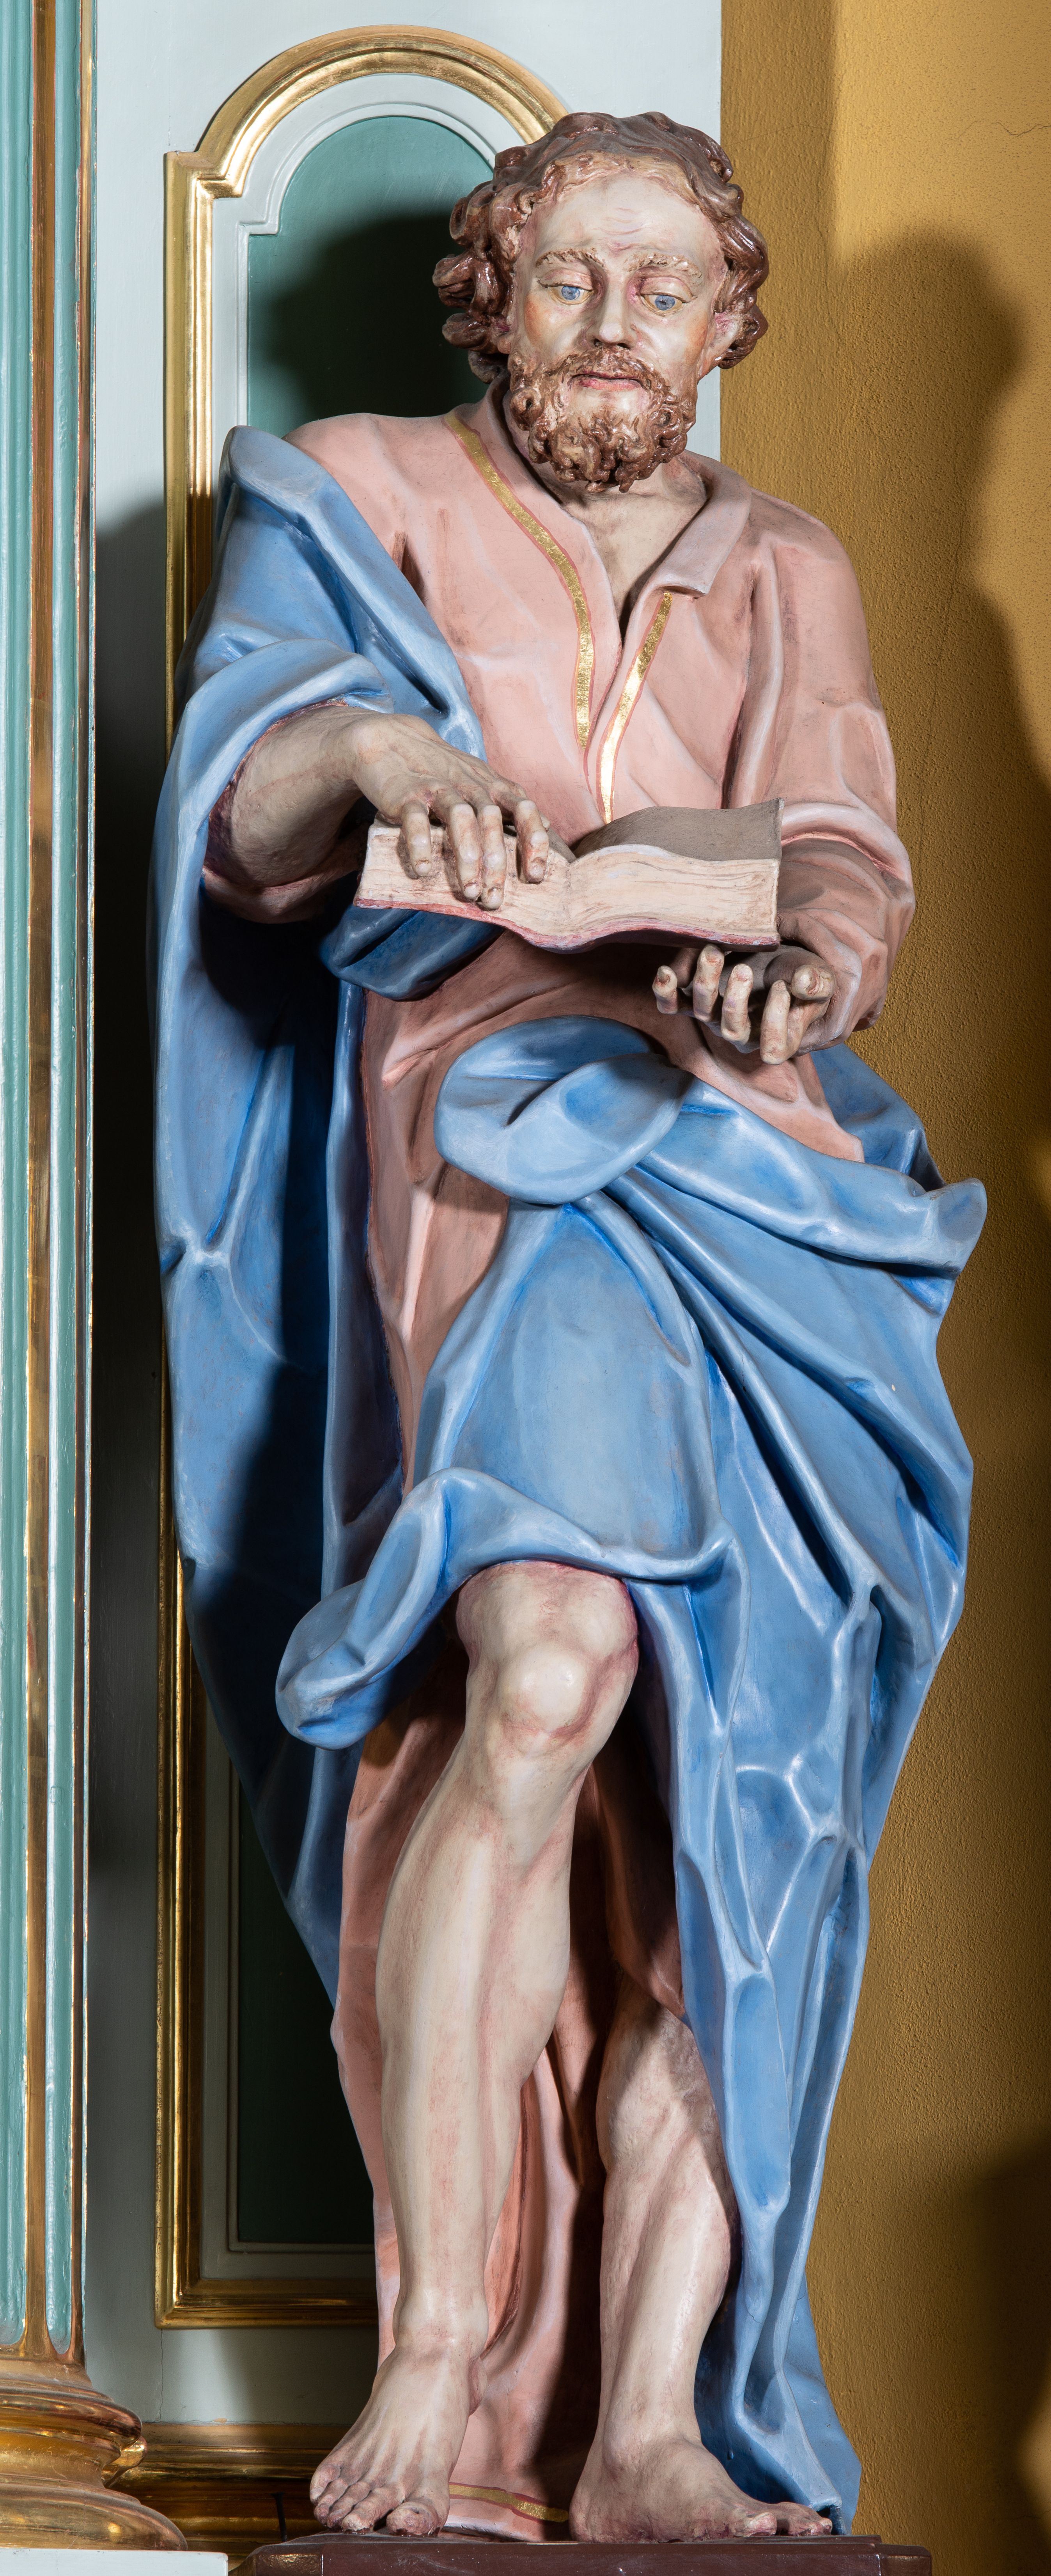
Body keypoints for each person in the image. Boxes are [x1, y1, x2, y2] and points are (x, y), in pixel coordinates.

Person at [151, 110, 984, 2545]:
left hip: (758, 1168)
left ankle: (647, 2424)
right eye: (567, 280)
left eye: (664, 288)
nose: (616, 329)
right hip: (506, 1145)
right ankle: (438, 2350)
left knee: (747, 1797)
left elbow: (836, 850)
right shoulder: (364, 493)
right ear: (490, 298)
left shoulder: (782, 560)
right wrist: (379, 752)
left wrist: (791, 962)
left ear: (727, 321)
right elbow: (247, 804)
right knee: (536, 1672)